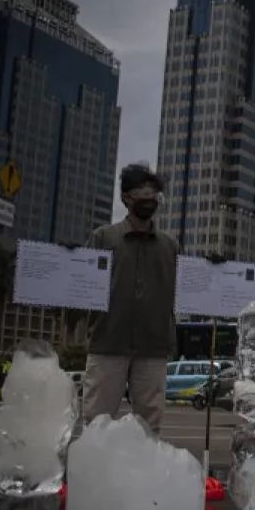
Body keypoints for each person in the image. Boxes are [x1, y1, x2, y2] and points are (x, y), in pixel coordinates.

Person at [81, 164, 178, 434]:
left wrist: (211, 270)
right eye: (141, 193)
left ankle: (143, 474)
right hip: (108, 341)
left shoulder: (170, 246)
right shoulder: (104, 238)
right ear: (126, 198)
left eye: (153, 194)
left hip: (153, 346)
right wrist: (69, 260)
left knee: (149, 423)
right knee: (96, 419)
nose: (148, 199)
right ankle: (93, 473)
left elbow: (190, 286)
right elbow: (82, 283)